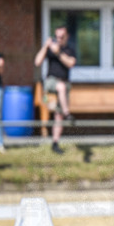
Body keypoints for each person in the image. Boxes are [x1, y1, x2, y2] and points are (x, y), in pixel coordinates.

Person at [34, 25, 76, 154]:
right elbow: (37, 62)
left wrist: (59, 53)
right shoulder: (49, 49)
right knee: (60, 86)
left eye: (62, 37)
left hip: (64, 84)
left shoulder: (69, 50)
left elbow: (71, 63)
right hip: (51, 83)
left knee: (58, 116)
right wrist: (45, 47)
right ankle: (68, 114)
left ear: (67, 37)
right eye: (57, 37)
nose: (59, 39)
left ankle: (55, 143)